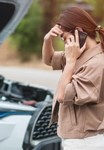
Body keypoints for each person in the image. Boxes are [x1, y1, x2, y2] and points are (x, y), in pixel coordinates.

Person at [42, 6, 104, 150]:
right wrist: (47, 39)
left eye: (64, 38)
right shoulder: (81, 55)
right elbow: (49, 60)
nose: (65, 44)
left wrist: (70, 62)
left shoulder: (96, 63)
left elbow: (62, 96)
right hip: (77, 138)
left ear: (79, 32)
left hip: (86, 141)